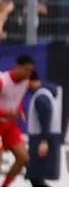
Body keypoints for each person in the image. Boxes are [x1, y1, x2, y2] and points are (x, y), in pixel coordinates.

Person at [0, 55, 35, 187]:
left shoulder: (25, 83)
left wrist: (19, 111)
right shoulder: (3, 81)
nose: (28, 73)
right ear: (17, 66)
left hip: (9, 126)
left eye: (30, 71)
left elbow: (16, 100)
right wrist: (6, 113)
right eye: (26, 70)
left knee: (23, 158)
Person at [25, 71, 59, 187]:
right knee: (36, 179)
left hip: (39, 139)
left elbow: (45, 119)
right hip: (41, 138)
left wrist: (44, 141)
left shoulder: (41, 97)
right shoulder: (45, 94)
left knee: (35, 177)